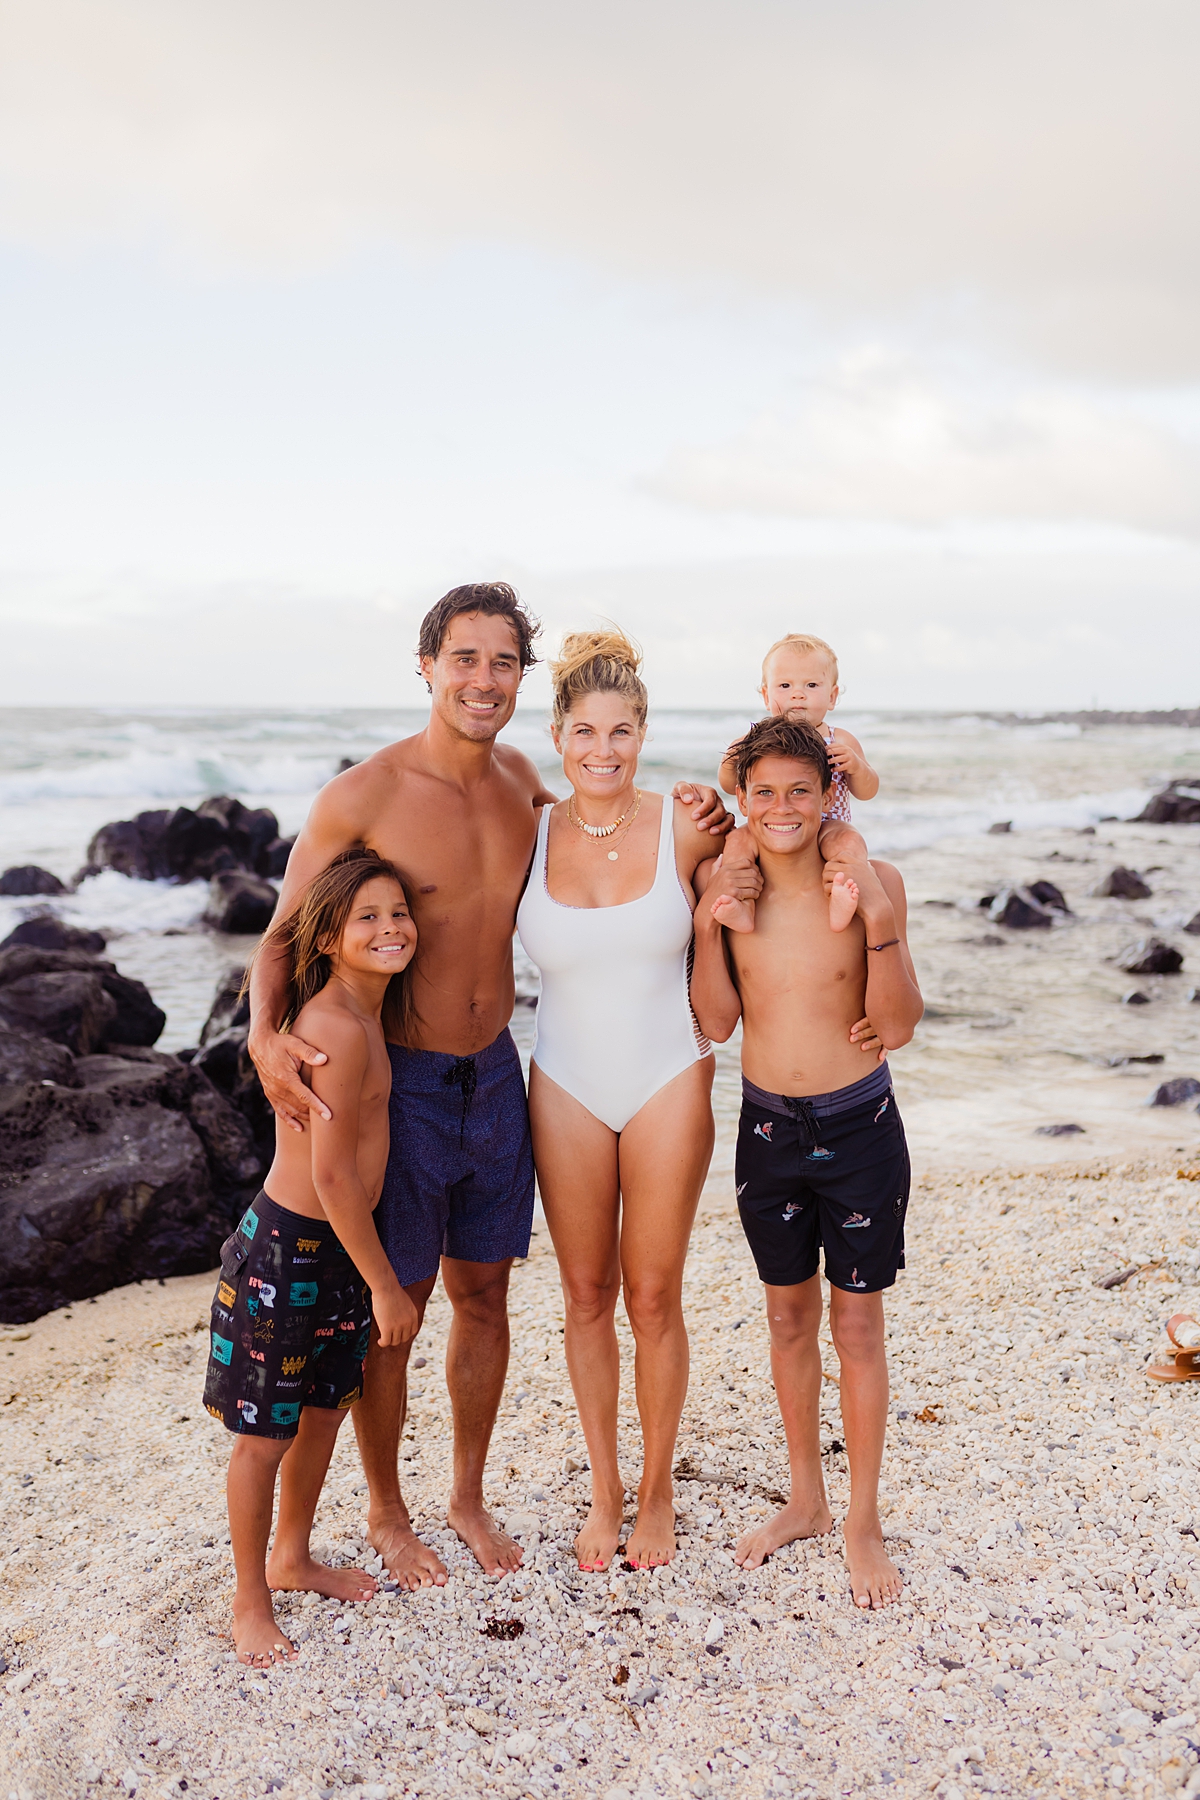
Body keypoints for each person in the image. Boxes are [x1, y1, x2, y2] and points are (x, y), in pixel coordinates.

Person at [247, 583, 731, 1589]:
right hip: (405, 1081)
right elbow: (286, 933)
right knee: (400, 1306)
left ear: (523, 681)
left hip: (501, 1074)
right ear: (426, 665)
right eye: (464, 658)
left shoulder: (524, 785)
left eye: (502, 661)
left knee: (486, 1297)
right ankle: (387, 1511)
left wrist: (705, 816)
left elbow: (608, 837)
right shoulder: (363, 796)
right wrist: (263, 1035)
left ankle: (464, 1493)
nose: (482, 678)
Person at [516, 630, 754, 1573]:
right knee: (584, 1294)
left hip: (669, 1075)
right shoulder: (526, 830)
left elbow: (785, 837)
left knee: (654, 1295)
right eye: (584, 731)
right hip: (564, 1081)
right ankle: (605, 1489)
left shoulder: (689, 824)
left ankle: (657, 1494)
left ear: (644, 732)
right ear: (558, 734)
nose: (602, 750)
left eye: (620, 731)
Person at [690, 717, 923, 1610]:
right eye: (764, 792)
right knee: (788, 1321)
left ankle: (862, 1520)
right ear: (742, 799)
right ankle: (807, 1499)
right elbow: (715, 1022)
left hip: (859, 1125)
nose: (782, 807)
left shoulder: (872, 881)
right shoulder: (729, 885)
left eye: (800, 790)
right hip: (767, 1130)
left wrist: (879, 917)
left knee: (856, 1328)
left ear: (829, 793)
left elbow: (897, 1024)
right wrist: (711, 928)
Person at [204, 849, 420, 1665]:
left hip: (333, 1251)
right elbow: (329, 1176)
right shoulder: (331, 1026)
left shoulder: (367, 1014)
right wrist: (386, 1286)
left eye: (397, 912)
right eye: (366, 917)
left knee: (324, 1410)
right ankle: (249, 1598)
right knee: (264, 1435)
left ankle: (292, 1556)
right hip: (289, 1250)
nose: (390, 928)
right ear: (326, 938)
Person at [715, 633, 878, 934]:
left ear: (832, 695)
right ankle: (743, 906)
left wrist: (855, 764)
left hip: (828, 826)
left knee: (850, 842)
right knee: (737, 842)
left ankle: (840, 898)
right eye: (785, 685)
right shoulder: (755, 740)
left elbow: (867, 791)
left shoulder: (840, 739)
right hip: (775, 830)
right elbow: (728, 784)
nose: (798, 695)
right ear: (766, 695)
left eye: (811, 685)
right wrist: (731, 758)